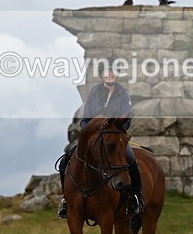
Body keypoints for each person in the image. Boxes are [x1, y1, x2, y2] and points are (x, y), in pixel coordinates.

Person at [57, 63, 143, 218]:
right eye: (106, 74)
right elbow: (86, 118)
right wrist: (86, 131)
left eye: (112, 74)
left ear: (116, 76)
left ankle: (135, 197)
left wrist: (119, 128)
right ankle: (66, 199)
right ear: (102, 76)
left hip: (114, 137)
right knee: (65, 161)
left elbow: (127, 117)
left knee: (130, 159)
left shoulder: (123, 95)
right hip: (93, 137)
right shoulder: (94, 93)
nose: (110, 76)